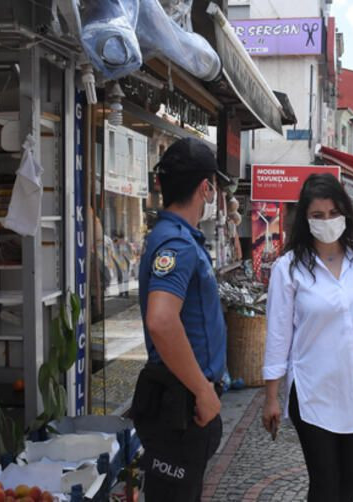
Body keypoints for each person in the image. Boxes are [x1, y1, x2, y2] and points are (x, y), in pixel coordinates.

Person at [261, 174, 353, 502]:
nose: (327, 222)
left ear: (346, 214)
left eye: (333, 213)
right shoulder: (289, 268)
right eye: (317, 215)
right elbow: (278, 335)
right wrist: (271, 397)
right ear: (305, 219)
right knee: (325, 487)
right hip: (312, 393)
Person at [130, 138, 228, 500]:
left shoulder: (174, 237)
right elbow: (161, 320)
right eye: (214, 186)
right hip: (181, 404)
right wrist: (203, 391)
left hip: (180, 402)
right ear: (206, 188)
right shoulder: (178, 245)